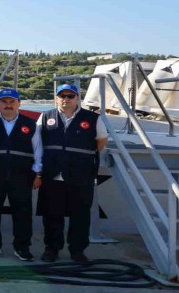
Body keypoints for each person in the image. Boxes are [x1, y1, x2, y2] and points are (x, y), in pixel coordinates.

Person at [36, 84, 107, 263]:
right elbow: (37, 144)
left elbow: (101, 142)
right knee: (52, 214)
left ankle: (77, 251)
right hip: (52, 175)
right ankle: (52, 249)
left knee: (80, 215)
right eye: (62, 96)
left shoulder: (93, 118)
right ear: (56, 98)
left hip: (81, 175)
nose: (66, 99)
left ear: (77, 98)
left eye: (70, 96)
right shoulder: (45, 117)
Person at [0, 88, 42, 261]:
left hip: (22, 175)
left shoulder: (31, 124)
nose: (8, 105)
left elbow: (38, 150)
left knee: (23, 212)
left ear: (18, 103)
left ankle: (22, 247)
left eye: (12, 102)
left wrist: (38, 174)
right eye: (4, 102)